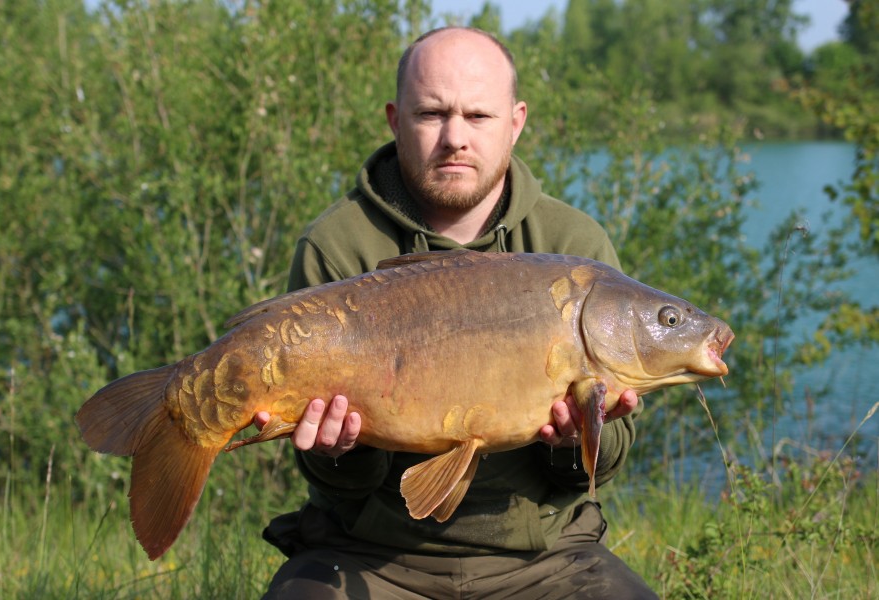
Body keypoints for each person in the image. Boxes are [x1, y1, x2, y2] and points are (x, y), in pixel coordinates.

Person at [257, 26, 658, 599]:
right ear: (396, 120)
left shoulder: (574, 244)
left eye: (478, 116)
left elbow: (602, 467)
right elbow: (336, 485)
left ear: (515, 122)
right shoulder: (340, 245)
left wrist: (573, 444)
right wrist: (341, 452)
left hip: (545, 558)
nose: (455, 138)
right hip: (368, 554)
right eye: (432, 114)